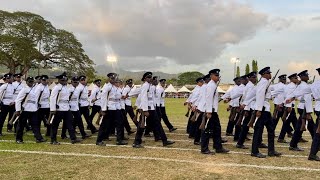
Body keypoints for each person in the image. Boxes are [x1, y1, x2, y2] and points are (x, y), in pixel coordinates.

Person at [132, 72, 175, 148]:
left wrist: (154, 107)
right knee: (141, 125)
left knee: (158, 124)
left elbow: (152, 98)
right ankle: (136, 142)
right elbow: (143, 98)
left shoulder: (150, 86)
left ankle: (164, 140)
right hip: (146, 109)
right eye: (148, 77)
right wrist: (145, 110)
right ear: (145, 79)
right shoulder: (145, 86)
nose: (150, 78)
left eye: (150, 77)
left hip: (151, 108)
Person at [251, 67, 281, 158]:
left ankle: (271, 151)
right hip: (263, 108)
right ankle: (254, 151)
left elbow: (267, 95)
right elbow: (260, 95)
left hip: (266, 108)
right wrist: (259, 109)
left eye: (269, 73)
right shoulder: (263, 82)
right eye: (268, 73)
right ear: (264, 74)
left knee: (271, 130)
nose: (270, 74)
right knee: (258, 131)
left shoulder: (266, 82)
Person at [201, 69, 229, 154]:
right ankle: (204, 149)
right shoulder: (211, 85)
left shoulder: (213, 85)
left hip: (213, 111)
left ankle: (218, 147)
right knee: (207, 130)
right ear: (211, 76)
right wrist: (209, 111)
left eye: (218, 75)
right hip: (210, 111)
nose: (218, 77)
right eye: (216, 75)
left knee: (217, 129)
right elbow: (208, 98)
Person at [287, 70, 315, 151]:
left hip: (302, 107)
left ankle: (293, 144)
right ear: (302, 77)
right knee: (310, 127)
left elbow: (295, 94)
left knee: (305, 127)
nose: (307, 76)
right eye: (306, 75)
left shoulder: (303, 85)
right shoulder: (304, 86)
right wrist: (309, 111)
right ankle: (316, 144)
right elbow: (307, 98)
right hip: (304, 108)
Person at [96, 73, 127, 146]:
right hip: (109, 107)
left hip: (117, 107)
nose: (113, 80)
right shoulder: (107, 86)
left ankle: (119, 140)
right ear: (109, 79)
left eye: (114, 79)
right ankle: (99, 140)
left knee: (120, 122)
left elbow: (118, 96)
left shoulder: (115, 87)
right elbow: (103, 98)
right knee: (104, 124)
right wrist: (103, 109)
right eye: (112, 78)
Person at [49, 72, 80, 145]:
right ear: (59, 80)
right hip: (59, 108)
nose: (64, 81)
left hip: (66, 108)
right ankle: (53, 140)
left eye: (65, 80)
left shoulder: (66, 87)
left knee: (70, 123)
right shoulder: (57, 88)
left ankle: (73, 138)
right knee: (55, 125)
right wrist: (53, 109)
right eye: (62, 80)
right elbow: (52, 99)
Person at [15, 77, 45, 143]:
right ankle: (19, 139)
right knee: (21, 125)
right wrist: (18, 110)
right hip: (25, 109)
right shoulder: (24, 89)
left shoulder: (34, 89)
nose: (31, 83)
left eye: (32, 81)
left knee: (35, 125)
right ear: (26, 82)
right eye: (29, 82)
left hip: (33, 110)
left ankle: (38, 138)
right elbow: (18, 100)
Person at [236, 72, 257, 149]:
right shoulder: (250, 86)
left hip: (248, 107)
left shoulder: (248, 86)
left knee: (246, 126)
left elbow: (244, 97)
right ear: (249, 78)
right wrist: (246, 109)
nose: (255, 79)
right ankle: (240, 142)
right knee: (246, 126)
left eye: (255, 77)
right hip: (249, 108)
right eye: (253, 77)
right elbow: (248, 97)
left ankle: (240, 142)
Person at [277, 73, 299, 143]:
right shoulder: (291, 87)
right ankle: (281, 137)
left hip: (288, 106)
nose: (297, 79)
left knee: (294, 122)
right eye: (295, 78)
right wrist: (289, 107)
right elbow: (288, 97)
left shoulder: (290, 86)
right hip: (289, 107)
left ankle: (298, 136)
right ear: (291, 79)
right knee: (287, 123)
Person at [193, 74, 210, 145]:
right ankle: (197, 140)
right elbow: (202, 98)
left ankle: (198, 139)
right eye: (209, 79)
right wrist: (196, 106)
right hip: (204, 108)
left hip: (202, 107)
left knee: (202, 124)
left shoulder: (204, 86)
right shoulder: (205, 87)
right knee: (200, 124)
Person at [309, 67, 320, 161]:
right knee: (318, 132)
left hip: (317, 107)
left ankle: (313, 152)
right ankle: (312, 153)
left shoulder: (314, 84)